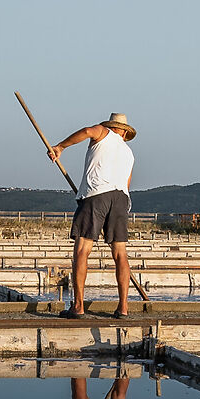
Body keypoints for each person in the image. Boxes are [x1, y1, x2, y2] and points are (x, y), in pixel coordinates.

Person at [48, 110, 137, 319]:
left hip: (97, 195)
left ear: (112, 127)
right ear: (124, 133)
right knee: (120, 254)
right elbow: (127, 184)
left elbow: (88, 130)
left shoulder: (103, 132)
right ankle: (123, 308)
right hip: (121, 199)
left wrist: (60, 147)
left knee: (82, 250)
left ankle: (78, 307)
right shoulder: (128, 153)